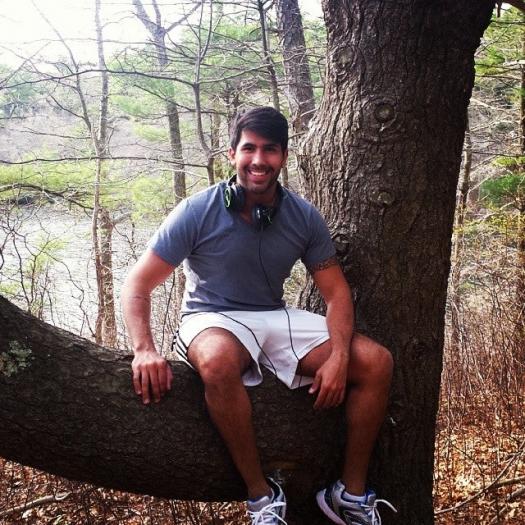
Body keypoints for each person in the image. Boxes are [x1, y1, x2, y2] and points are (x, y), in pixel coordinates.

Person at [121, 107, 395, 525]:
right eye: (249, 148)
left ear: (283, 156)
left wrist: (340, 357)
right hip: (210, 316)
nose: (258, 160)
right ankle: (261, 498)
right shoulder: (197, 210)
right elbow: (137, 285)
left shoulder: (303, 216)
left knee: (376, 362)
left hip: (272, 316)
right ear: (232, 154)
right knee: (216, 361)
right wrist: (144, 349)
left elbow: (337, 293)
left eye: (270, 150)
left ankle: (349, 494)